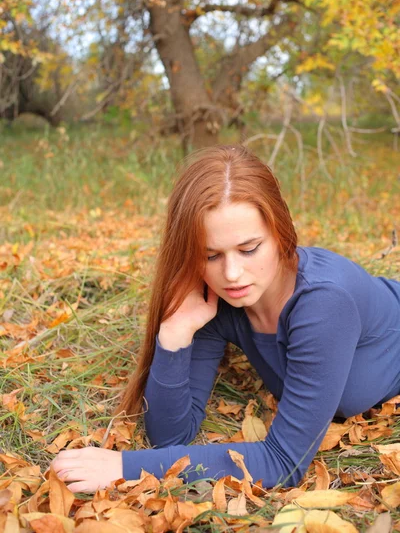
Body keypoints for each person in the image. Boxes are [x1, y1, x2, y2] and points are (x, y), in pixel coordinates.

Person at [52, 145, 400, 493]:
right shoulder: (218, 299)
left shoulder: (324, 304)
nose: (232, 274)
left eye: (249, 249)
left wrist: (126, 468)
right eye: (210, 255)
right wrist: (176, 333)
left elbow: (284, 463)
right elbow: (171, 434)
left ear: (281, 233)